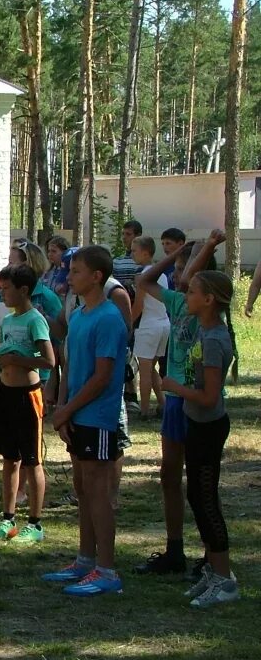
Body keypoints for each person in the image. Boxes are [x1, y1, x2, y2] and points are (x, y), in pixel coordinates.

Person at [44, 246, 129, 596]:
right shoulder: (78, 315)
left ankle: (106, 569)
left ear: (96, 276)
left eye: (76, 271)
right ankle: (84, 560)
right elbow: (67, 365)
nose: (69, 277)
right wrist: (62, 407)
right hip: (76, 413)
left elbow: (102, 377)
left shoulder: (109, 318)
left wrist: (68, 409)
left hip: (99, 417)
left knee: (98, 493)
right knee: (82, 489)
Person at [134, 235, 220, 576]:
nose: (181, 281)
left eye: (189, 276)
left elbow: (188, 280)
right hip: (173, 402)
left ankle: (212, 553)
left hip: (196, 402)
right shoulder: (176, 302)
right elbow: (144, 281)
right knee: (170, 475)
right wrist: (176, 256)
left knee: (202, 483)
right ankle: (175, 550)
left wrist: (207, 248)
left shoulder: (208, 315)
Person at [161, 265, 240, 607]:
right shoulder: (202, 330)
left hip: (208, 427)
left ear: (208, 300)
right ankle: (215, 572)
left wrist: (175, 387)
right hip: (197, 424)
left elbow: (209, 397)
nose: (186, 295)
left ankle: (224, 578)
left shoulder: (213, 339)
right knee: (197, 496)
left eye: (192, 292)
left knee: (205, 501)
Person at [0, 264, 55, 544]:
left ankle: (35, 523)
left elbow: (49, 361)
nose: (2, 294)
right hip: (5, 393)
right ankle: (8, 517)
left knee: (31, 461)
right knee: (9, 459)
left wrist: (16, 359)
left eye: (6, 289)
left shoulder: (34, 320)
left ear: (23, 290)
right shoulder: (7, 321)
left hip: (28, 396)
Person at [131, 236, 169, 420]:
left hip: (149, 325)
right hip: (163, 324)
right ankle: (163, 403)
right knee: (151, 367)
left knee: (144, 370)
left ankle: (144, 410)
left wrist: (127, 323)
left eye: (134, 251)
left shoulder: (143, 276)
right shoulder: (161, 274)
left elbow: (138, 306)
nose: (132, 254)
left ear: (146, 253)